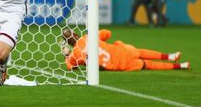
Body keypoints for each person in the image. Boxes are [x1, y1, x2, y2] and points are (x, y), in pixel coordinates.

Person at [60, 28, 190, 71]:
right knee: (140, 52)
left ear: (69, 43)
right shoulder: (89, 36)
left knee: (146, 64)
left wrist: (66, 55)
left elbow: (71, 67)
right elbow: (107, 33)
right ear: (76, 34)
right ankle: (170, 56)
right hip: (121, 51)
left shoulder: (75, 54)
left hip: (119, 65)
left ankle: (181, 65)